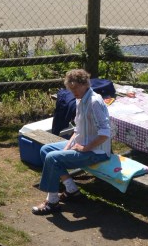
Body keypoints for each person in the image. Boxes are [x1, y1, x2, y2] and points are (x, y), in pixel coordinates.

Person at [32, 69, 112, 215]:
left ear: (85, 84)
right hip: (81, 143)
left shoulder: (94, 102)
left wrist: (85, 148)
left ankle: (52, 202)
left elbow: (106, 132)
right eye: (70, 88)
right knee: (46, 150)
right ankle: (72, 190)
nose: (73, 91)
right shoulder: (80, 99)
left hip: (97, 151)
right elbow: (78, 130)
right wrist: (67, 148)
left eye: (75, 88)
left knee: (52, 158)